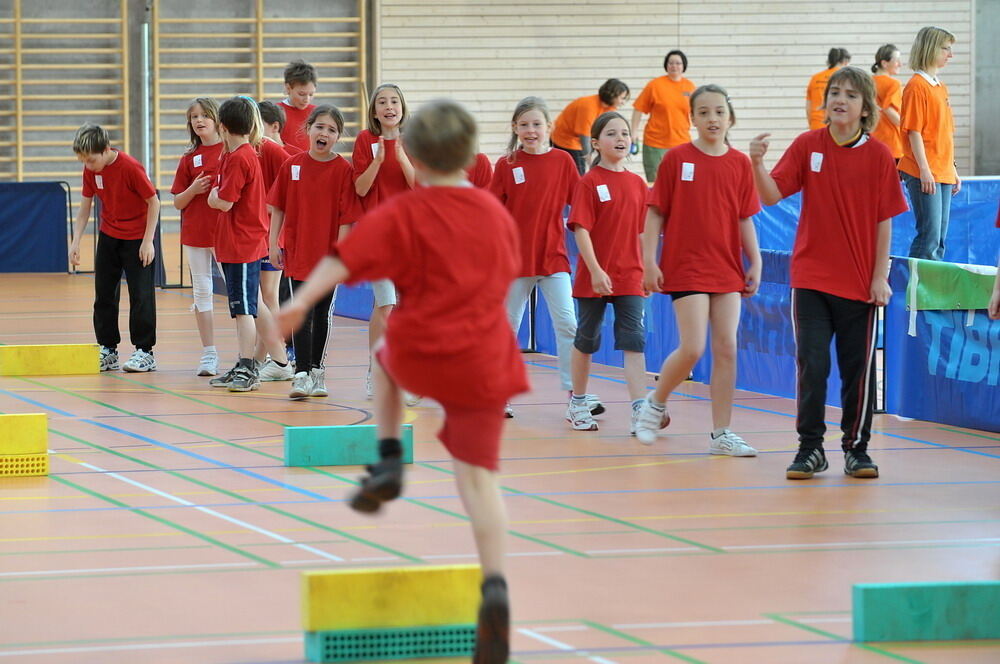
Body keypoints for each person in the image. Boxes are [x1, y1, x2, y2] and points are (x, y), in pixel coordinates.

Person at [278, 99, 526, 664]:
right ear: (471, 155)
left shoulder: (406, 211)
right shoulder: (494, 214)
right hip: (485, 357)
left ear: (409, 153)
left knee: (387, 358)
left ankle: (389, 454)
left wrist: (299, 303)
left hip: (428, 343)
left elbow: (342, 259)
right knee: (480, 481)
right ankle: (495, 586)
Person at [749, 66, 908, 480]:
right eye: (834, 92)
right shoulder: (807, 145)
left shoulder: (878, 156)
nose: (840, 99)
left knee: (858, 370)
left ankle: (856, 448)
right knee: (812, 363)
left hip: (858, 282)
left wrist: (879, 277)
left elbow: (884, 221)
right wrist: (756, 162)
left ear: (865, 107)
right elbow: (770, 195)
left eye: (851, 95)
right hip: (811, 278)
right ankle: (810, 448)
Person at [634, 84, 762, 455]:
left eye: (719, 111)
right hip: (686, 265)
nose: (712, 119)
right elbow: (654, 213)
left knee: (727, 348)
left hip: (726, 267)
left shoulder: (738, 163)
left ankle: (722, 434)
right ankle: (654, 403)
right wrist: (648, 261)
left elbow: (744, 217)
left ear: (730, 117)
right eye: (703, 112)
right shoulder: (675, 159)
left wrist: (755, 260)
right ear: (692, 119)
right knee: (692, 347)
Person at [490, 96, 590, 418]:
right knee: (507, 326)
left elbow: (581, 204)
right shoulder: (506, 165)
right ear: (515, 128)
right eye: (524, 125)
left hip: (553, 258)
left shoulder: (563, 163)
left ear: (549, 127)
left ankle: (575, 395)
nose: (530, 131)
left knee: (568, 324)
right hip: (515, 262)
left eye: (536, 124)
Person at [268, 105, 360, 399]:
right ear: (308, 128)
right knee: (301, 312)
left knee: (321, 315)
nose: (324, 133)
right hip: (297, 252)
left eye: (332, 130)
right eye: (320, 126)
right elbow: (277, 208)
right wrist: (273, 244)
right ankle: (301, 374)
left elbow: (348, 218)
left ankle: (317, 371)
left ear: (337, 137)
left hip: (327, 258)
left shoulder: (344, 170)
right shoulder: (291, 165)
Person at [565, 112, 648, 433]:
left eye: (625, 133)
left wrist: (648, 268)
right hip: (594, 278)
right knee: (586, 341)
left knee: (634, 342)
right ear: (597, 143)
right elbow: (581, 230)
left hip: (630, 277)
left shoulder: (638, 184)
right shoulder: (589, 182)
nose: (621, 139)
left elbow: (643, 232)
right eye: (612, 134)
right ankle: (578, 401)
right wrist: (596, 270)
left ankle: (640, 410)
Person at [69, 123, 160, 373]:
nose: (88, 166)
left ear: (106, 149)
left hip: (137, 239)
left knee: (141, 296)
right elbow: (85, 207)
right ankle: (108, 349)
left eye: (91, 160)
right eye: (83, 161)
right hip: (109, 236)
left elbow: (154, 202)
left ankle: (145, 352)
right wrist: (76, 241)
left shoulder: (130, 167)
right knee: (104, 295)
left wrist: (148, 241)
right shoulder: (90, 171)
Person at [207, 97, 275, 392]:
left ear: (222, 126)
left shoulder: (240, 158)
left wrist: (213, 197)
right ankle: (247, 362)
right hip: (236, 242)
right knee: (243, 307)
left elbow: (224, 201)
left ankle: (249, 367)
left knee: (245, 309)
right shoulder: (233, 154)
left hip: (243, 243)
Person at [352, 83, 416, 399]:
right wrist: (377, 160)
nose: (389, 106)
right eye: (382, 102)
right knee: (386, 302)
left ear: (402, 107)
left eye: (394, 101)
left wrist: (401, 155)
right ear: (374, 111)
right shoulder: (365, 141)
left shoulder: (415, 141)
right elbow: (360, 189)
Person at [171, 98, 225, 376]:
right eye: (194, 117)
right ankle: (209, 354)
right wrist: (193, 189)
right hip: (195, 234)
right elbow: (178, 202)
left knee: (240, 294)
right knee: (202, 292)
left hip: (226, 234)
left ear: (216, 119)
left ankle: (251, 354)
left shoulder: (231, 151)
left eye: (205, 115)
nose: (199, 120)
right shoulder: (188, 158)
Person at [899, 26, 960, 261]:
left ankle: (930, 293)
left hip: (942, 170)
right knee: (929, 236)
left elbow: (944, 133)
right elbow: (914, 132)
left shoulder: (939, 86)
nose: (950, 55)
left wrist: (952, 167)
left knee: (939, 238)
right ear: (931, 48)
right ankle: (914, 295)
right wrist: (924, 169)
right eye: (946, 48)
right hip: (925, 171)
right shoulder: (916, 86)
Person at [631, 50, 696, 182]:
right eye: (671, 63)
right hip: (655, 142)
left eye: (678, 63)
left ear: (684, 66)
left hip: (681, 142)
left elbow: (698, 112)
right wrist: (633, 132)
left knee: (682, 182)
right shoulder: (655, 85)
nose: (674, 66)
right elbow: (638, 108)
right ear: (666, 65)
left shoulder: (690, 87)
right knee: (656, 183)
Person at [551, 79, 630, 175]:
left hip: (579, 140)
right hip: (566, 140)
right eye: (622, 98)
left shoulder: (609, 108)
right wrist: (589, 160)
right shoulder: (588, 106)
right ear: (612, 95)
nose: (623, 102)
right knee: (577, 173)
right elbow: (584, 137)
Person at [870, 44, 904, 161]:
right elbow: (888, 109)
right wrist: (908, 126)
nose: (900, 64)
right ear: (884, 63)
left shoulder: (866, 82)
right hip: (892, 144)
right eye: (897, 60)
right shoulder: (893, 84)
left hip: (871, 142)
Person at [806, 48, 851, 130]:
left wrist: (812, 124)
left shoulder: (815, 78)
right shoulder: (846, 78)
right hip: (838, 126)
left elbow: (808, 106)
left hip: (817, 124)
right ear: (845, 61)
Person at [277, 59, 317, 152]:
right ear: (288, 88)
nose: (307, 99)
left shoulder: (316, 113)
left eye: (311, 94)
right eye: (301, 94)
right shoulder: (277, 112)